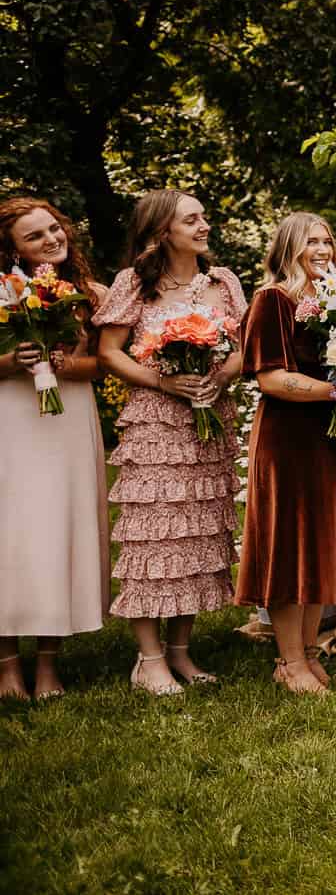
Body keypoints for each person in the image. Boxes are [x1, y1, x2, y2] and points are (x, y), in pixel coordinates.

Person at [94, 190, 245, 696]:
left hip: (210, 418)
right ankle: (149, 659)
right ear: (164, 232)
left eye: (205, 216)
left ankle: (181, 651)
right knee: (154, 536)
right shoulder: (134, 284)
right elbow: (109, 352)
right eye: (192, 220)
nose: (205, 225)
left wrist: (219, 378)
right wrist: (163, 382)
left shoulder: (223, 283)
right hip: (156, 424)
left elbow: (243, 349)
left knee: (197, 537)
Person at [236, 213, 336, 695]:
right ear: (288, 249)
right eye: (310, 242)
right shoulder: (272, 301)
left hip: (335, 439)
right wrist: (335, 392)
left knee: (322, 545)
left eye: (327, 241)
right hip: (290, 438)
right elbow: (270, 377)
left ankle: (312, 651)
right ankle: (288, 660)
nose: (322, 249)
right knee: (290, 546)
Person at [0, 198, 108, 700]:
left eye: (54, 229)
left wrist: (65, 365)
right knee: (12, 536)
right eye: (34, 236)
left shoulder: (90, 294)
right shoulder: (3, 294)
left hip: (67, 420)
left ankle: (48, 664)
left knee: (57, 532)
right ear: (11, 249)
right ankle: (7, 667)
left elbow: (104, 365)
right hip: (12, 419)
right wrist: (10, 359)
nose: (50, 240)